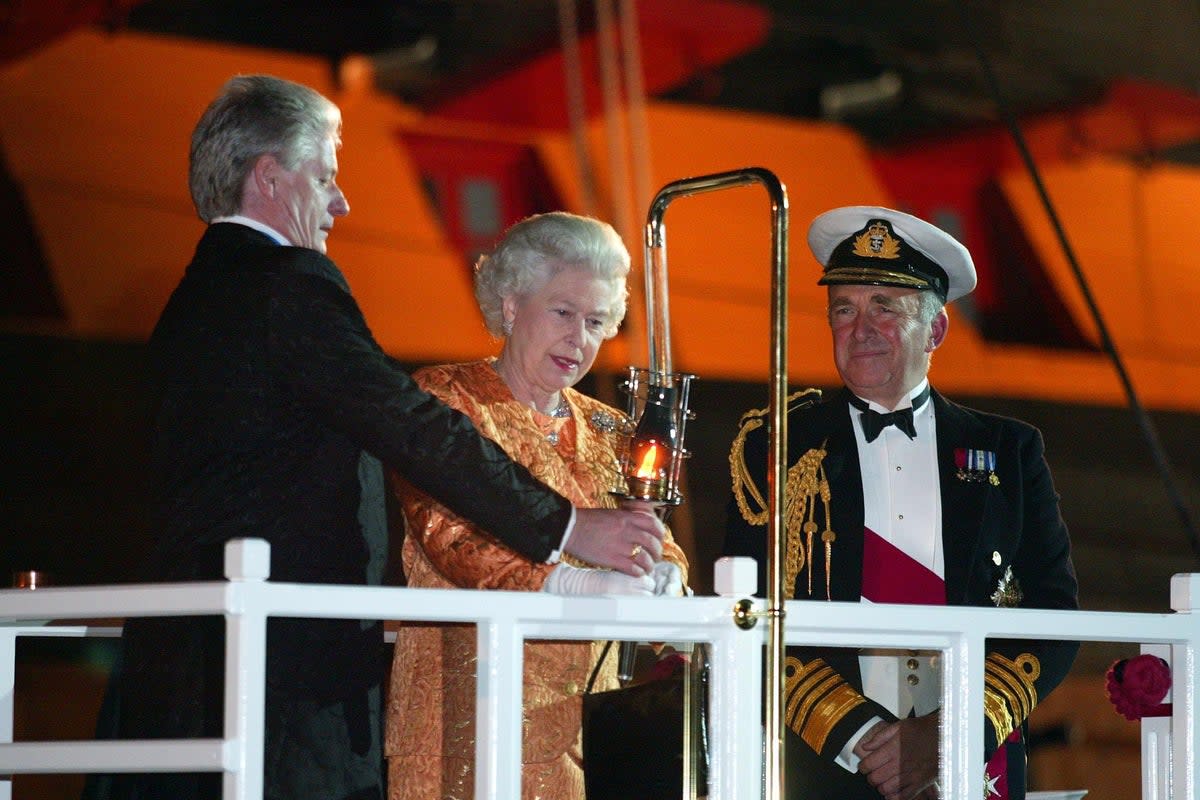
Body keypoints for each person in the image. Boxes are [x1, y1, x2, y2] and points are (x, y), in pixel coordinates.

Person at [90, 75, 665, 800]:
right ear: (269, 176)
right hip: (283, 675)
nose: (341, 202)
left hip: (195, 659)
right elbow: (408, 424)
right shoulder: (289, 281)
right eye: (326, 177)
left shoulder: (192, 299)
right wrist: (570, 528)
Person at [724, 206, 1079, 800]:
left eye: (884, 307)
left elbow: (1051, 611)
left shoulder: (1009, 450)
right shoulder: (777, 444)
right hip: (825, 758)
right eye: (844, 309)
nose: (859, 328)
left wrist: (948, 734)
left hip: (970, 759)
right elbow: (749, 607)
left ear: (935, 330)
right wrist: (861, 735)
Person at [385, 211, 689, 800]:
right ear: (509, 305)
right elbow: (449, 537)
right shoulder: (445, 401)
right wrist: (567, 584)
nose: (580, 339)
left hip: (590, 735)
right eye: (563, 313)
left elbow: (650, 527)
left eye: (597, 321)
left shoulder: (610, 426)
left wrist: (666, 570)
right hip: (466, 715)